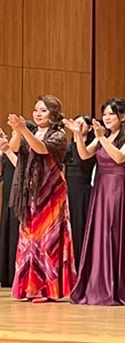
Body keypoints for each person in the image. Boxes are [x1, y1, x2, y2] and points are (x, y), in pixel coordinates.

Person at [68, 98, 125, 306]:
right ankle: (98, 284)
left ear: (122, 117)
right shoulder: (103, 136)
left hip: (120, 189)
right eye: (104, 114)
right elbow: (84, 155)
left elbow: (119, 158)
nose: (106, 118)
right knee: (101, 234)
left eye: (110, 114)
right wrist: (78, 135)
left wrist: (101, 138)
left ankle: (121, 287)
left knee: (116, 232)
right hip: (102, 189)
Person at [7, 96, 76, 301]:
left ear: (53, 114)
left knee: (47, 239)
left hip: (51, 192)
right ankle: (30, 287)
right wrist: (17, 131)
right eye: (36, 110)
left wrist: (24, 130)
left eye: (43, 110)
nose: (38, 114)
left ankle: (48, 289)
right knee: (29, 239)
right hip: (31, 193)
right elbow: (15, 148)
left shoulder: (58, 135)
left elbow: (41, 148)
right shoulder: (32, 131)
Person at [0, 125, 35, 288]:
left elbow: (23, 171)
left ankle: (17, 274)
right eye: (13, 133)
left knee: (17, 233)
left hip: (21, 197)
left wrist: (7, 151)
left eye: (17, 133)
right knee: (7, 232)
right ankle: (6, 274)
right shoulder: (9, 151)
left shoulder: (28, 152)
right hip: (8, 196)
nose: (13, 136)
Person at [64, 115, 96, 268]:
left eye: (81, 124)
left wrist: (77, 136)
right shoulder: (68, 146)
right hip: (67, 191)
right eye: (75, 123)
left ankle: (81, 265)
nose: (77, 126)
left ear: (89, 128)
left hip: (83, 192)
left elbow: (81, 162)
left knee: (80, 227)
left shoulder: (92, 146)